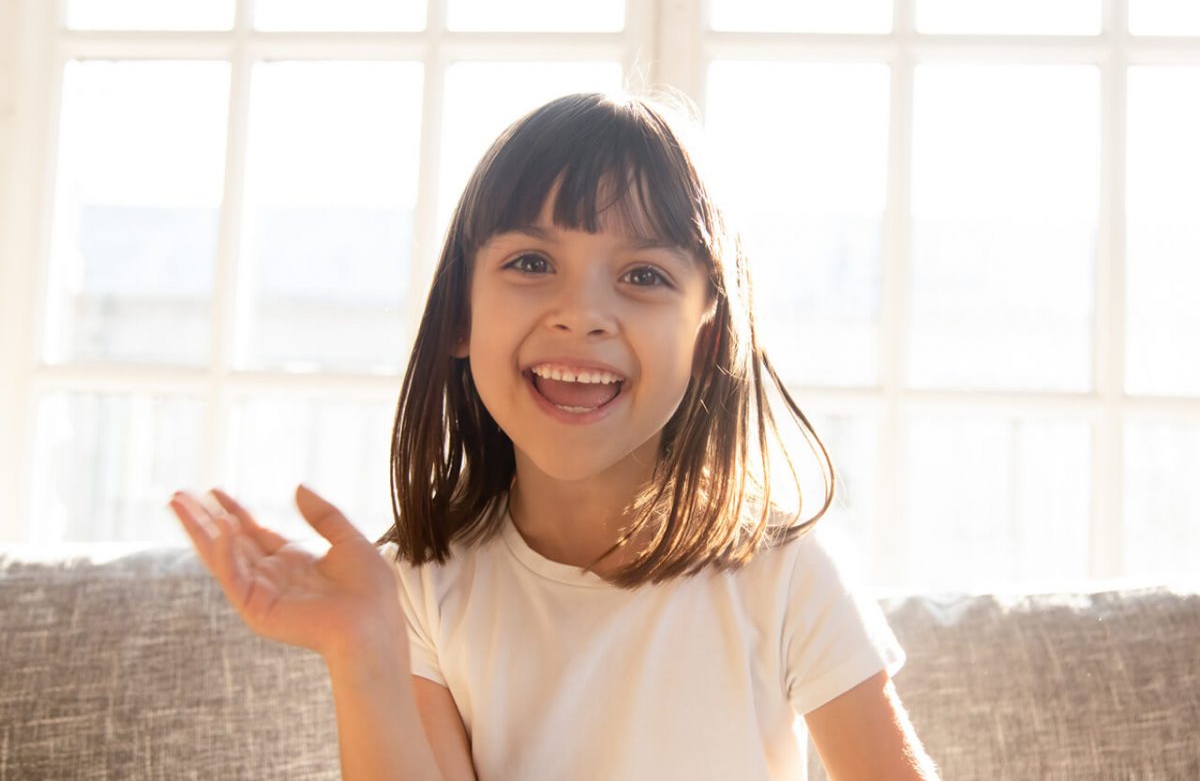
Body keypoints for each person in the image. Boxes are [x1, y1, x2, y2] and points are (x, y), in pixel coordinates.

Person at [169, 92, 938, 780]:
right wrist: (362, 651)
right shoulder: (421, 586)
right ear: (461, 316)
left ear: (707, 338)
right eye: (532, 262)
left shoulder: (786, 573)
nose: (581, 313)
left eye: (643, 275)